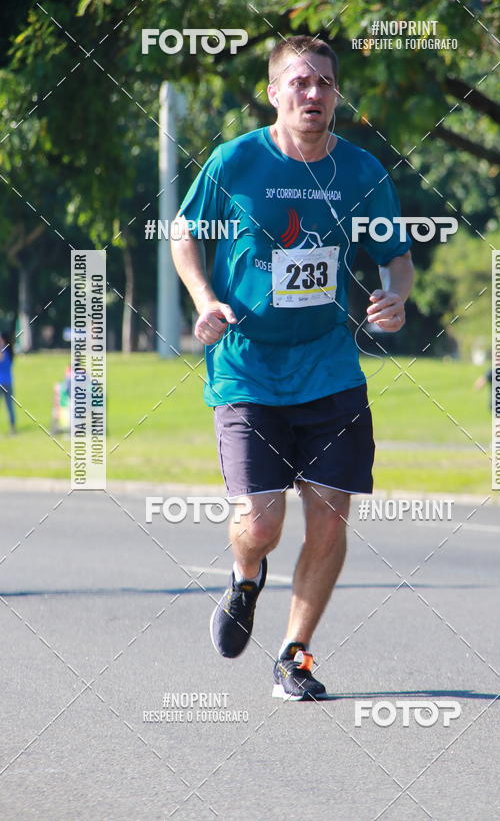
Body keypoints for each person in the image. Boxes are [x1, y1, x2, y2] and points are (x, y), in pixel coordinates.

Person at [171, 35, 414, 701]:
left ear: (337, 95)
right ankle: (245, 577)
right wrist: (205, 298)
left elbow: (395, 254)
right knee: (262, 522)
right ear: (274, 92)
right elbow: (184, 232)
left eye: (325, 84)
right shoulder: (235, 162)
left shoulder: (363, 173)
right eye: (300, 83)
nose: (313, 94)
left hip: (330, 365)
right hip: (246, 366)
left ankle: (294, 655)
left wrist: (395, 295)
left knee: (331, 517)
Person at [0, 331, 16, 434]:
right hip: (9, 382)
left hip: (2, 382)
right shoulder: (10, 351)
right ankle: (13, 427)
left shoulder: (3, 352)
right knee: (10, 406)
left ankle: (12, 428)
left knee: (9, 406)